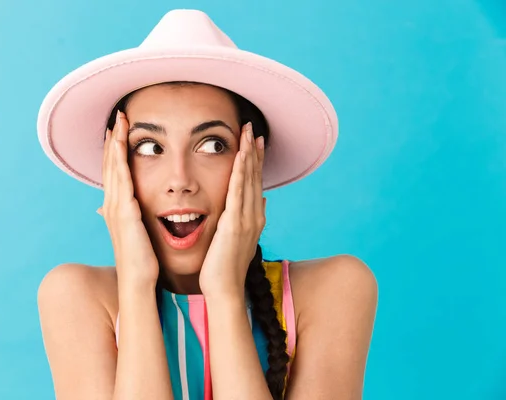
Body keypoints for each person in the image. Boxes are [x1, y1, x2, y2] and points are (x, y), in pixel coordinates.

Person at [36, 9, 378, 400]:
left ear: (251, 165)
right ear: (117, 171)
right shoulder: (77, 296)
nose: (180, 180)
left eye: (213, 145)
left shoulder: (333, 288)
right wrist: (135, 286)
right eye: (149, 147)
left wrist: (224, 293)